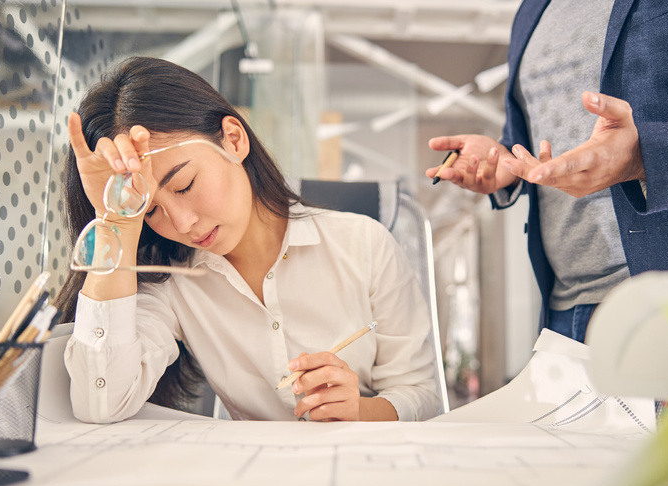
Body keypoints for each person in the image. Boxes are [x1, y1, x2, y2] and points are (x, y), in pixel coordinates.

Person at [56, 56, 439, 423]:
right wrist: (116, 223)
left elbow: (423, 396)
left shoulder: (364, 244)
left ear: (233, 140)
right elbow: (100, 402)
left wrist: (358, 411)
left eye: (185, 185)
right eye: (149, 210)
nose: (183, 223)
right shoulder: (172, 282)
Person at [426, 0, 668, 342]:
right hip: (563, 311)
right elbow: (532, 134)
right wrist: (506, 159)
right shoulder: (530, 12)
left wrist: (645, 156)